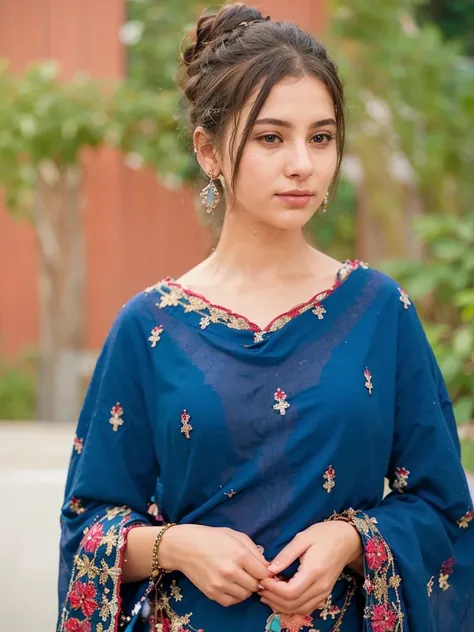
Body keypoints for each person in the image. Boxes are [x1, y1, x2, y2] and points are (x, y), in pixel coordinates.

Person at [56, 4, 474, 631]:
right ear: (209, 150)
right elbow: (88, 524)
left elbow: (445, 508)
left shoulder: (379, 311)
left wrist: (352, 540)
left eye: (322, 137)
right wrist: (179, 546)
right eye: (271, 137)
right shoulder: (148, 328)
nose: (302, 163)